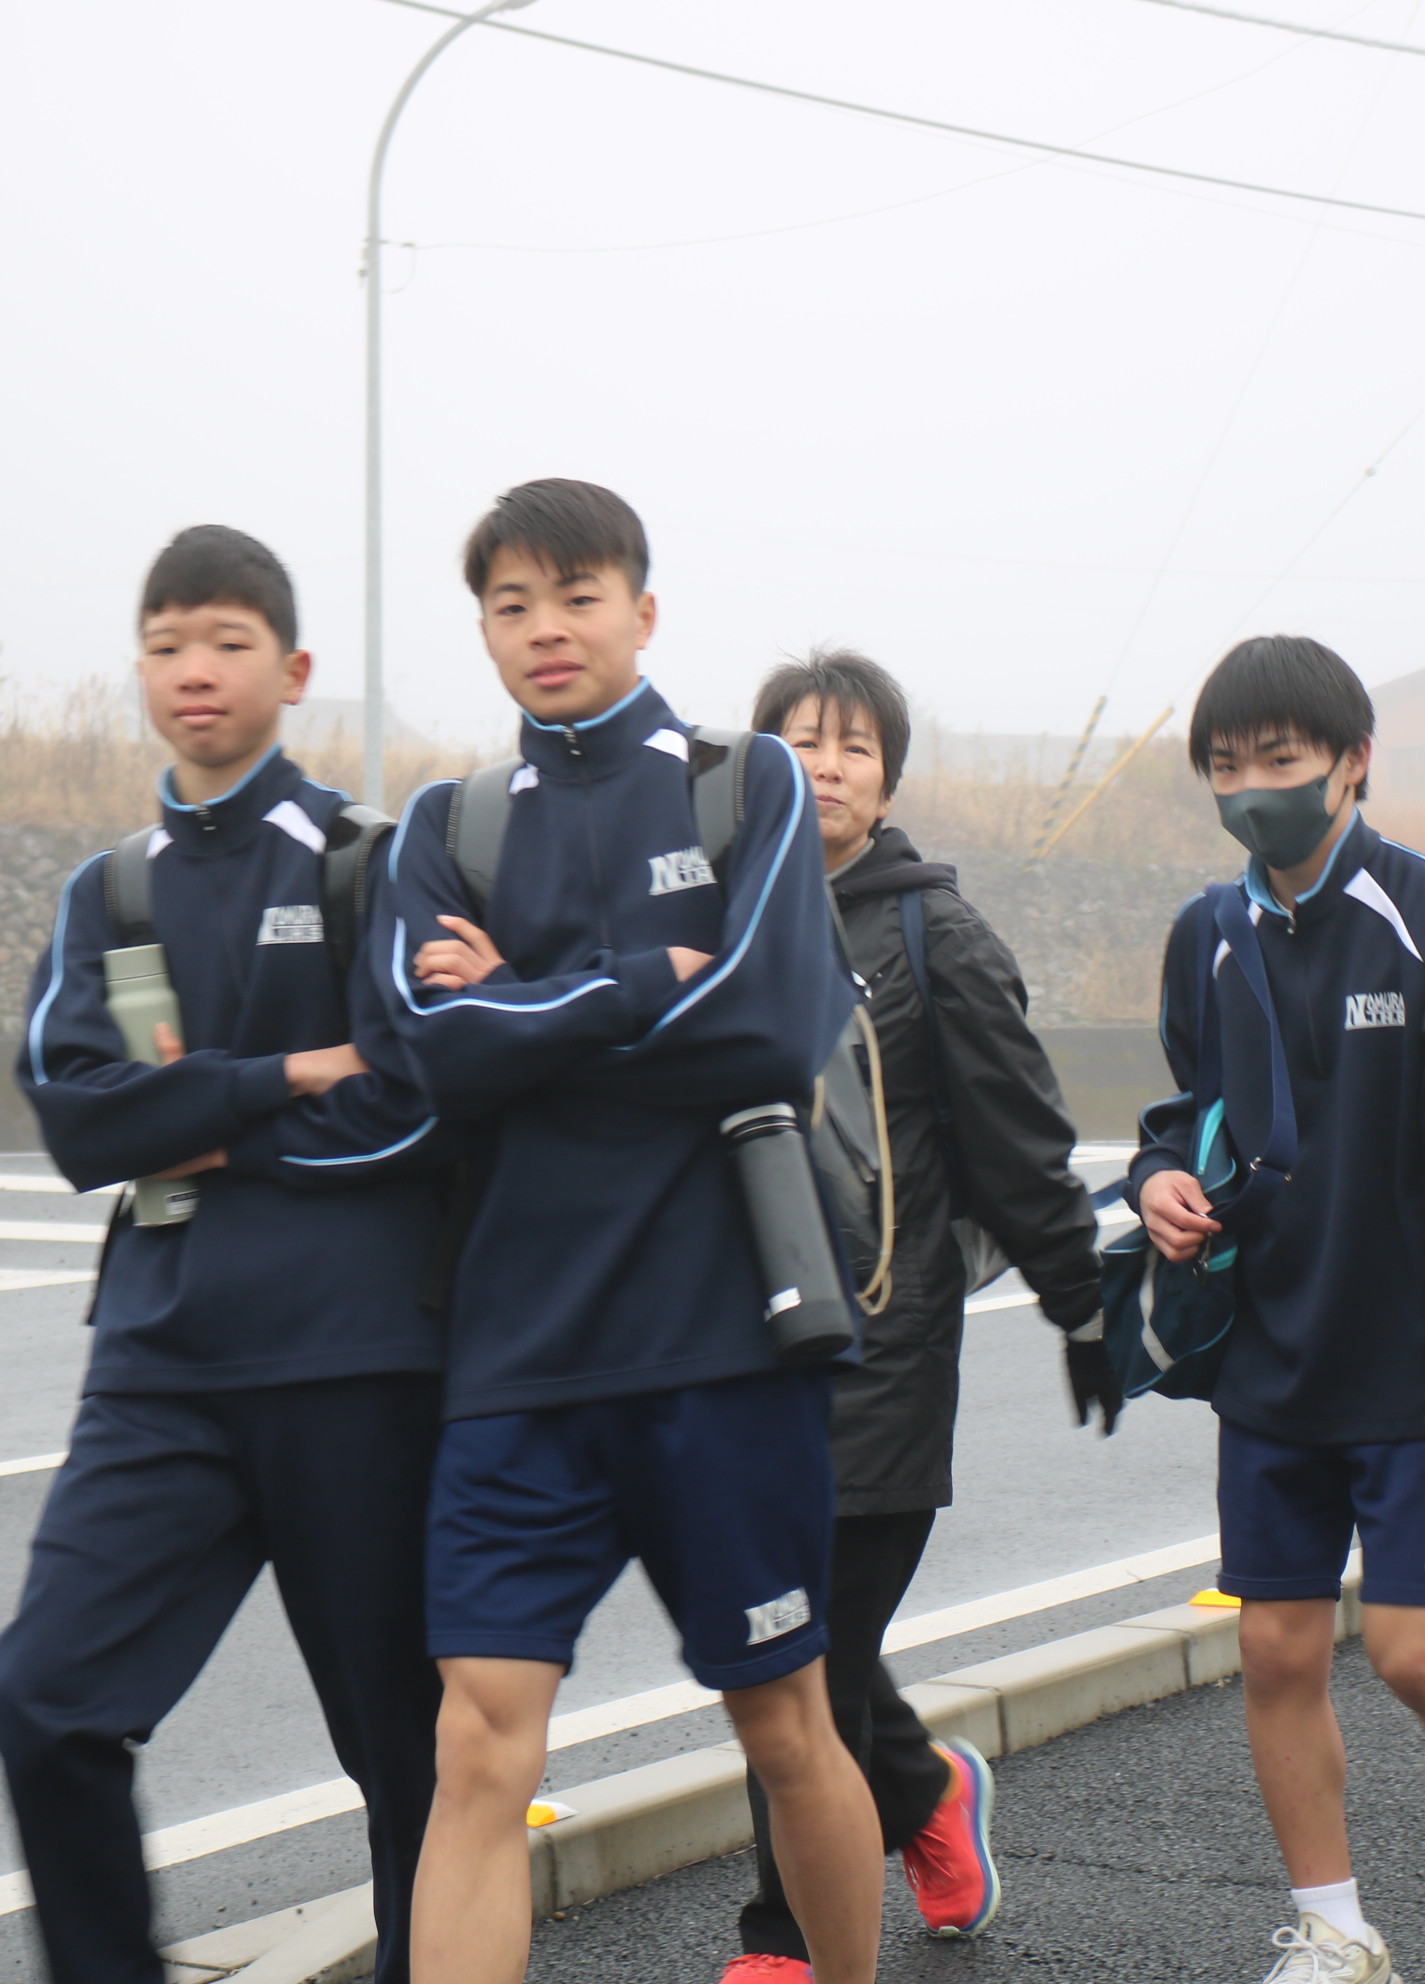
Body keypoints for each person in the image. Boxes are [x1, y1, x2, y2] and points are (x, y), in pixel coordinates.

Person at [370, 480, 884, 1984]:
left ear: (642, 612)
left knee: (786, 1726)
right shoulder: (449, 826)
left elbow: (767, 1025)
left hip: (726, 1347)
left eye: (577, 595)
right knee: (477, 1748)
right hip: (517, 1364)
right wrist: (647, 979)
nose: (546, 628)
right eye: (511, 604)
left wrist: (522, 1001)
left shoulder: (746, 784)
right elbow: (426, 1054)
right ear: (484, 630)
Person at [0, 526, 452, 1984]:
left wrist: (194, 1117)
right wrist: (276, 1076)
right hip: (161, 1363)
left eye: (228, 642)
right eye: (168, 643)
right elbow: (78, 1120)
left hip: (356, 1362)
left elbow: (411, 1104)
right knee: (42, 1699)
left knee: (408, 1752)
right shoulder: (111, 892)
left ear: (292, 671)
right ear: (139, 669)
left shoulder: (369, 861)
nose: (196, 669)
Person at [1132, 636, 1425, 1984]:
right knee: (1275, 1647)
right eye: (1227, 765)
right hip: (1271, 1354)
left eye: (1280, 759)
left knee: (1417, 1653)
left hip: (1419, 1363)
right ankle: (1334, 1927)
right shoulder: (1208, 934)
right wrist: (1158, 1178)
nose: (1252, 788)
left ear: (1352, 761)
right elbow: (1187, 1109)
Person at [702, 647, 1115, 1980]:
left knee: (806, 1664)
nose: (825, 767)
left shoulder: (938, 936)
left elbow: (1021, 1145)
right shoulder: (710, 917)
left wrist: (1083, 1306)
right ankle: (930, 1794)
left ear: (888, 783)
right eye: (798, 742)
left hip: (883, 1348)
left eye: (855, 747)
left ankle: (782, 1937)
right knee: (782, 1641)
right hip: (734, 1350)